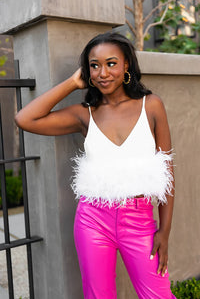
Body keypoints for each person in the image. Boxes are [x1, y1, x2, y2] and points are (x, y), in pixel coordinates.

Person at [15, 32, 176, 299]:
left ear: (127, 65)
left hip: (139, 220)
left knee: (158, 295)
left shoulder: (152, 106)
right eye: (94, 65)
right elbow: (25, 119)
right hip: (92, 218)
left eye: (111, 63)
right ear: (86, 70)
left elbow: (167, 174)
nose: (102, 73)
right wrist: (71, 83)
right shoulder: (84, 114)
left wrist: (165, 231)